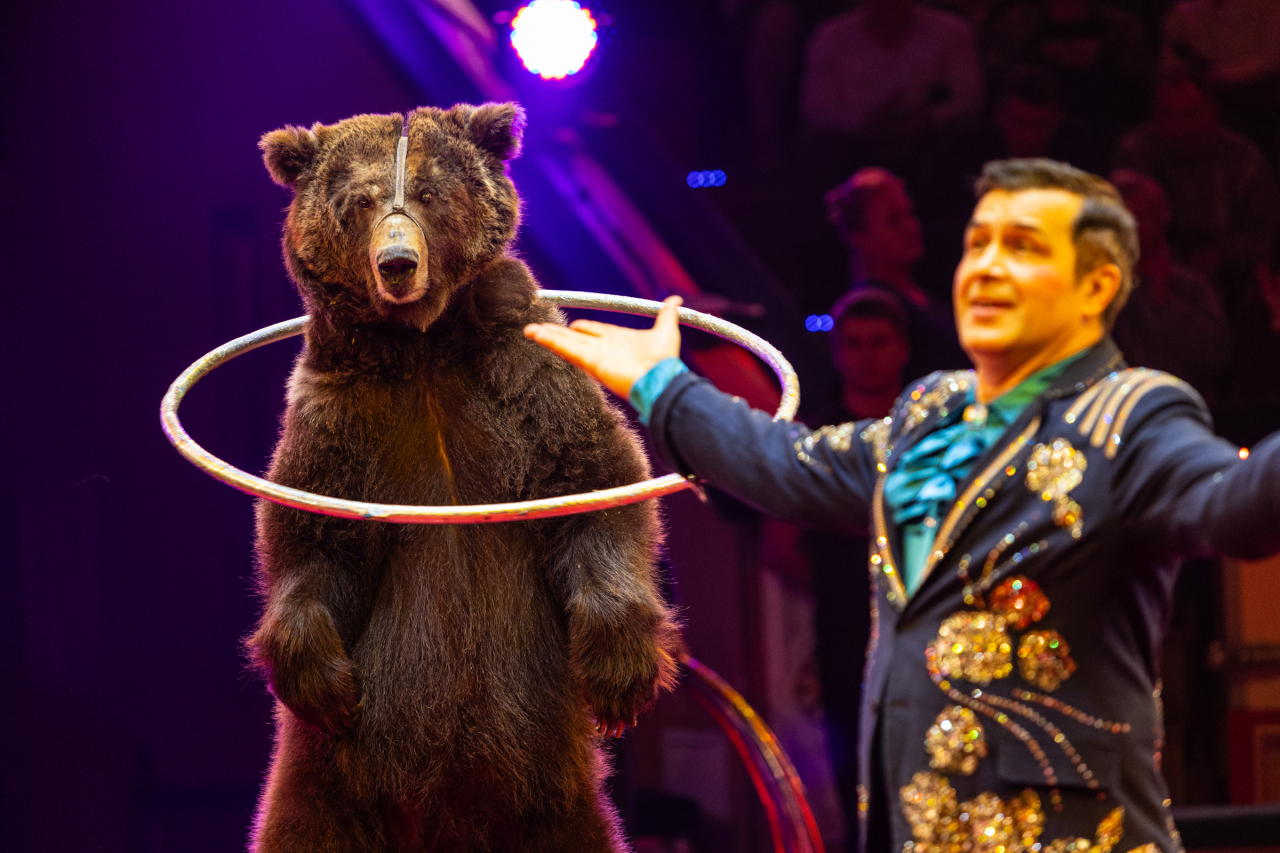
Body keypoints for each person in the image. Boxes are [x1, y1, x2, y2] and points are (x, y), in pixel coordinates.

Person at [525, 158, 1280, 852]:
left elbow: (1236, 504)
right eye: (977, 244)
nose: (987, 266)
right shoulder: (933, 410)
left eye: (1022, 247)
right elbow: (790, 465)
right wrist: (659, 385)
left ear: (1096, 288)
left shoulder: (1131, 415)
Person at [1114, 67, 1279, 309]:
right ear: (1154, 113)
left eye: (1191, 114)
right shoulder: (1136, 154)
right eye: (1169, 114)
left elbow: (1265, 235)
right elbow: (1119, 226)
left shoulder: (1245, 162)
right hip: (1148, 274)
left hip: (1234, 282)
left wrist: (1221, 256)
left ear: (1213, 111)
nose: (1179, 126)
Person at [825, 168, 969, 379]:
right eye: (894, 220)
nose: (911, 226)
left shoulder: (923, 292)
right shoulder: (868, 311)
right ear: (860, 238)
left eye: (909, 214)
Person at [1107, 168, 1230, 403]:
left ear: (1161, 219)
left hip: (1178, 408)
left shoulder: (1190, 286)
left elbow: (1215, 358)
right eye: (1122, 218)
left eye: (1141, 217)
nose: (1131, 228)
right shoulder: (1090, 289)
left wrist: (1164, 304)